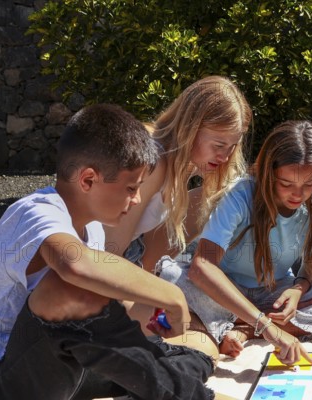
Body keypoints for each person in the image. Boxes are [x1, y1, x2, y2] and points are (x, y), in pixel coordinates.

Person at [0, 104, 219, 399]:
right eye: (131, 188)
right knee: (66, 289)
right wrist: (173, 296)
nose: (137, 199)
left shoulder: (91, 229)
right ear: (88, 180)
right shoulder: (36, 212)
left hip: (54, 367)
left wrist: (162, 320)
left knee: (194, 356)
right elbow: (75, 269)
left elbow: (109, 313)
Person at [155, 120, 312, 365]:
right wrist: (266, 325)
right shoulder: (241, 195)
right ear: (268, 173)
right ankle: (256, 325)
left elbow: (311, 267)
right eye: (286, 184)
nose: (298, 194)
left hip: (273, 293)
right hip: (223, 292)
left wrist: (298, 290)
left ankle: (241, 329)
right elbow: (202, 267)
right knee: (170, 279)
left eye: (310, 183)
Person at [104, 75, 252, 272]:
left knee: (218, 195)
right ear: (190, 128)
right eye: (219, 145)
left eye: (233, 147)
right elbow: (107, 252)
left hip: (128, 256)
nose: (225, 156)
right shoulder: (153, 159)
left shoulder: (181, 161)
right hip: (97, 259)